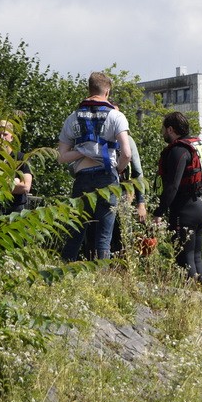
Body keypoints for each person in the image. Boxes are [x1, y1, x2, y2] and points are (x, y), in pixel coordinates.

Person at [57, 71, 132, 260]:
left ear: (89, 89)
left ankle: (63, 271)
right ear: (107, 92)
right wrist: (118, 170)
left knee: (76, 232)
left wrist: (84, 150)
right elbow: (127, 153)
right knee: (104, 236)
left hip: (82, 178)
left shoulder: (72, 118)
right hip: (107, 176)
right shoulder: (116, 116)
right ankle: (103, 279)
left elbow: (62, 157)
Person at [152, 112, 202, 283]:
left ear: (170, 129)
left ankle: (190, 298)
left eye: (163, 129)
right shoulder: (194, 145)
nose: (162, 133)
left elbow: (172, 186)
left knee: (184, 259)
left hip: (185, 210)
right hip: (199, 206)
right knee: (196, 257)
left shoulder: (178, 150)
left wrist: (159, 212)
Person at [109, 133, 148, 255]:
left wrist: (141, 203)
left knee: (120, 234)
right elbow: (138, 173)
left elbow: (137, 173)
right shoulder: (127, 140)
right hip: (117, 194)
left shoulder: (95, 140)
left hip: (121, 193)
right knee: (122, 235)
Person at [0, 119, 33, 216]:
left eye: (5, 134)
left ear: (12, 137)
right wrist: (13, 182)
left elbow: (25, 187)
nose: (2, 138)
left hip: (15, 211)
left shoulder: (22, 158)